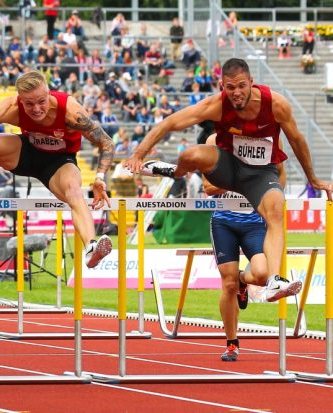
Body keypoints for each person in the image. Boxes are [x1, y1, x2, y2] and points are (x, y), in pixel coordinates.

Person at [125, 58, 332, 301]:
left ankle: (275, 281)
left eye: (241, 86)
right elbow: (170, 123)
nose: (236, 93)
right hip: (227, 167)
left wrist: (313, 179)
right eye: (230, 87)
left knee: (276, 210)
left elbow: (297, 141)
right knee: (190, 154)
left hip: (260, 174)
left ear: (252, 83)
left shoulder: (276, 105)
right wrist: (139, 152)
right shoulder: (217, 105)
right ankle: (176, 172)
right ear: (222, 85)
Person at [0, 70, 115, 268]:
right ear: (20, 100)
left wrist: (99, 178)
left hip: (59, 163)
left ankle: (91, 247)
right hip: (25, 153)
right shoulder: (11, 107)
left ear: (49, 94)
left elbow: (106, 143)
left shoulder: (71, 112)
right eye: (29, 103)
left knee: (73, 191)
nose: (36, 109)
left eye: (41, 101)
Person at [204, 133, 287, 361]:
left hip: (254, 221)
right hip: (224, 221)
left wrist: (268, 195)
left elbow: (280, 175)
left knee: (261, 275)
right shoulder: (214, 141)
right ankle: (232, 343)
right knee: (228, 284)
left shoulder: (269, 138)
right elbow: (209, 187)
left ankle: (244, 279)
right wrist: (244, 182)